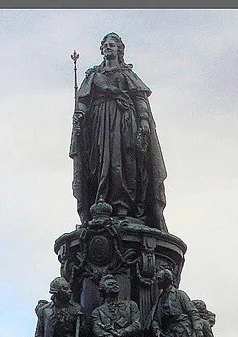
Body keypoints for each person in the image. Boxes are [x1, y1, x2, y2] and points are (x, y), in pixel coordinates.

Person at [71, 32, 168, 230]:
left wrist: (143, 120)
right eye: (106, 44)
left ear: (119, 49)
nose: (108, 47)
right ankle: (100, 200)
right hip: (99, 123)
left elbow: (139, 98)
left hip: (124, 121)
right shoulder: (93, 75)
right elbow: (83, 101)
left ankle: (123, 204)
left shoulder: (127, 74)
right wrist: (80, 115)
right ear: (102, 50)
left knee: (124, 161)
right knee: (99, 161)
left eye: (112, 45)